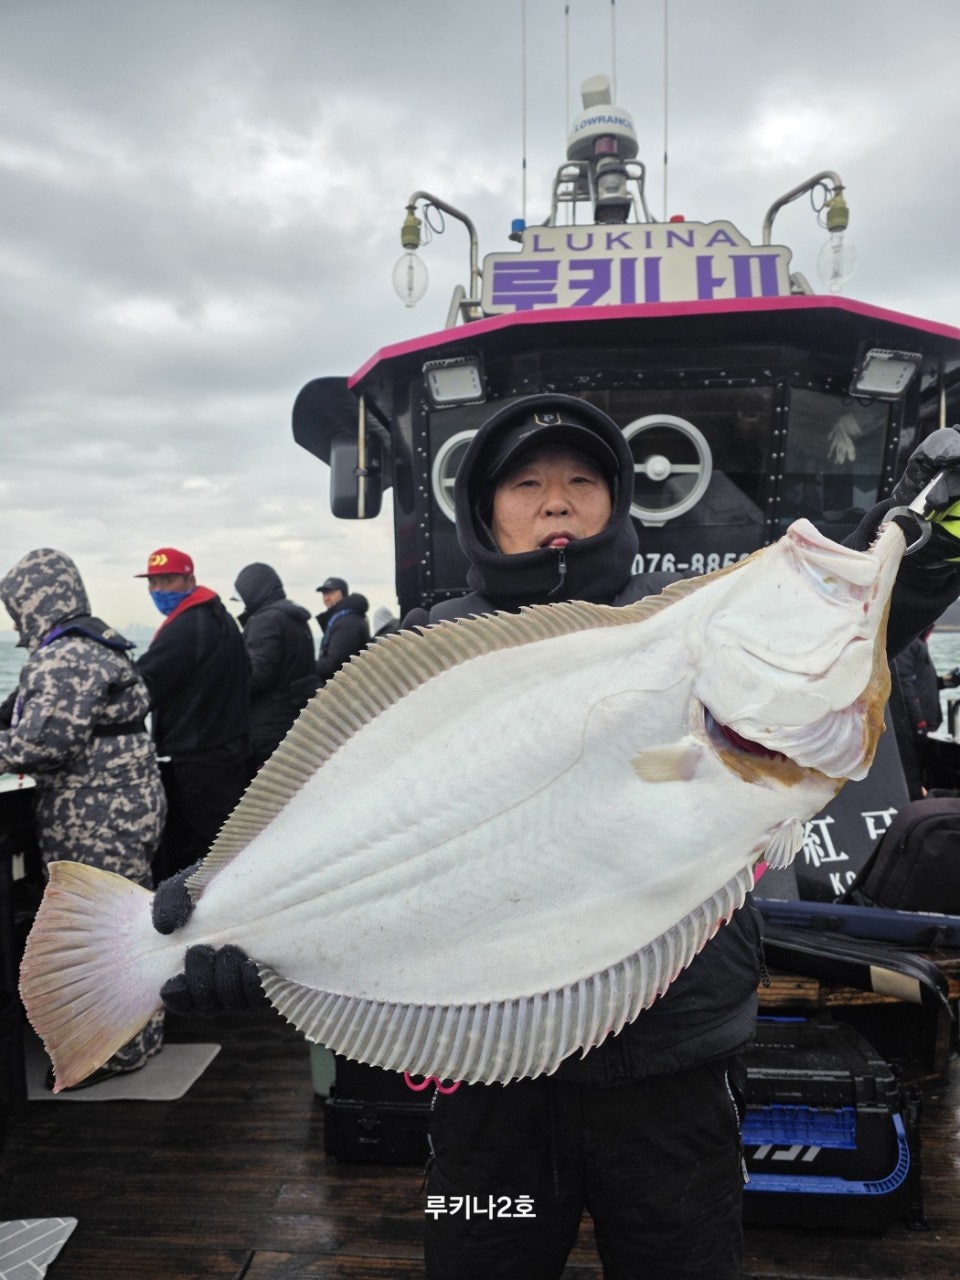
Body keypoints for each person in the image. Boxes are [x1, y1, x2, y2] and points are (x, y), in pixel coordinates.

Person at [151, 399, 960, 1279]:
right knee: (479, 1259)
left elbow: (862, 609)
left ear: (616, 500)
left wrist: (928, 528)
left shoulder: (682, 619)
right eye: (527, 482)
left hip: (673, 1066)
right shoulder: (429, 641)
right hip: (486, 1079)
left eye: (582, 479)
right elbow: (339, 813)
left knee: (684, 1264)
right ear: (485, 508)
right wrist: (222, 901)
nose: (556, 501)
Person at [0, 547, 166, 1085]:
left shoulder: (63, 655)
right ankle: (142, 1037)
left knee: (97, 934)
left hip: (94, 815)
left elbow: (44, 744)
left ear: (30, 601)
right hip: (125, 805)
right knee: (131, 925)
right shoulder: (99, 642)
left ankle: (113, 1052)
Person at [135, 547, 250, 884]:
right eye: (153, 583)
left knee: (205, 858)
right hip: (229, 750)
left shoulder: (186, 627)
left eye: (167, 581)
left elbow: (144, 685)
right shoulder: (221, 618)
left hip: (198, 759)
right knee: (229, 849)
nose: (159, 591)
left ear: (190, 579)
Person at [233, 562, 316, 771]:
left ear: (254, 590)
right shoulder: (295, 617)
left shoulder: (266, 620)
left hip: (267, 725)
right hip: (292, 719)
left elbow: (258, 676)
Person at [315, 575, 370, 683]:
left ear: (342, 593)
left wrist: (305, 667)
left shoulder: (348, 622)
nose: (326, 598)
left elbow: (335, 664)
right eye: (324, 594)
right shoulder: (342, 618)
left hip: (346, 690)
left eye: (331, 592)